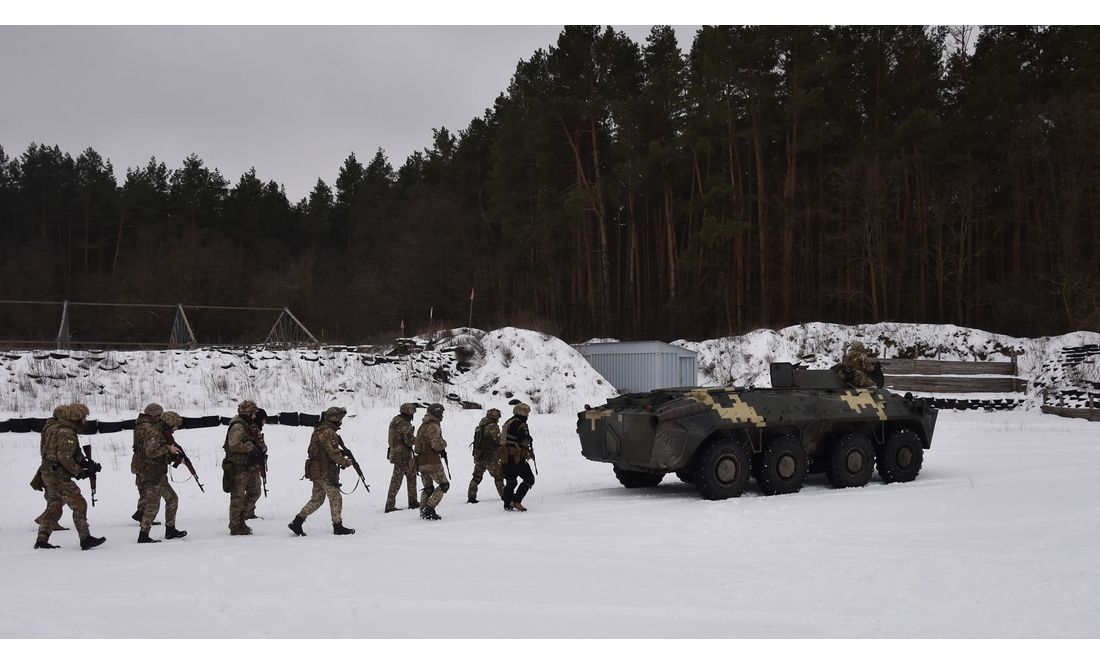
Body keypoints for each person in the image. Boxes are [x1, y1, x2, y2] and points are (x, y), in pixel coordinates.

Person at [34, 403, 106, 551]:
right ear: (76, 418)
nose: (85, 420)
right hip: (58, 476)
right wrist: (80, 472)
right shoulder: (66, 433)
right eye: (83, 417)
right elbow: (64, 457)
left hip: (48, 473)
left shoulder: (54, 428)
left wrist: (86, 464)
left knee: (53, 506)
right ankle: (85, 538)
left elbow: (70, 453)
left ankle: (42, 540)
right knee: (79, 504)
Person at [288, 406, 355, 536]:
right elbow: (333, 453)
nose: (341, 421)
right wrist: (345, 462)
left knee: (317, 499)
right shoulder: (328, 432)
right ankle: (338, 526)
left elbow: (323, 451)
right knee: (335, 497)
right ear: (335, 419)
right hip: (325, 472)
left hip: (316, 471)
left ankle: (297, 521)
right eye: (340, 419)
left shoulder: (318, 430)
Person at [134, 411, 188, 542]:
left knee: (172, 499)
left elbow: (161, 456)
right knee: (153, 505)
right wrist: (168, 449)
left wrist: (176, 457)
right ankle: (143, 535)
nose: (176, 428)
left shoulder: (162, 434)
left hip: (159, 474)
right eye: (175, 426)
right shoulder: (154, 434)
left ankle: (170, 530)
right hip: (152, 474)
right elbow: (151, 452)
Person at [221, 400, 267, 535]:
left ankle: (242, 517)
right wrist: (250, 447)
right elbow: (233, 444)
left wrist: (261, 449)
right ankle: (235, 526)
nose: (254, 416)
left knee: (255, 492)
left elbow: (259, 441)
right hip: (239, 466)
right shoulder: (238, 426)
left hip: (250, 466)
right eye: (253, 414)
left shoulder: (249, 425)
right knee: (237, 497)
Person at [32, 405, 68, 532]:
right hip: (53, 467)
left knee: (55, 496)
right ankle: (47, 520)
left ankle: (48, 520)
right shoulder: (56, 429)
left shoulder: (49, 426)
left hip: (48, 465)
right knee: (58, 496)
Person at [414, 402, 449, 521]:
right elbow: (436, 445)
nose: (443, 416)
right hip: (432, 462)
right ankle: (429, 508)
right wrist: (444, 443)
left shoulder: (423, 425)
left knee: (428, 487)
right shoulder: (433, 426)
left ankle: (423, 510)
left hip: (421, 462)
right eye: (441, 413)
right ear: (437, 413)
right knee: (444, 485)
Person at [131, 403, 164, 526]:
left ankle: (141, 512)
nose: (160, 418)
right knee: (148, 488)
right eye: (159, 416)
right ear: (153, 415)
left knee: (143, 487)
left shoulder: (140, 425)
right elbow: (151, 447)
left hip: (138, 460)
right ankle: (143, 515)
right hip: (144, 462)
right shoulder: (147, 427)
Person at [500, 403, 536, 512]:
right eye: (527, 413)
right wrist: (530, 439)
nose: (528, 416)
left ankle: (507, 503)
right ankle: (516, 501)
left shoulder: (509, 422)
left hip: (506, 456)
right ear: (522, 412)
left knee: (511, 481)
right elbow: (524, 440)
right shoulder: (520, 424)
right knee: (529, 479)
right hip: (516, 457)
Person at [384, 403, 419, 513]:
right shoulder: (404, 424)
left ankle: (413, 501)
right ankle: (390, 505)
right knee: (397, 480)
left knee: (411, 475)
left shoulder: (395, 420)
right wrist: (419, 440)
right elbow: (409, 440)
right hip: (402, 455)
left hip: (397, 453)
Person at [467, 408, 504, 504]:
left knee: (476, 477)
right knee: (498, 476)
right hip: (490, 456)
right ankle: (504, 495)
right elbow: (498, 440)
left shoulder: (479, 426)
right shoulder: (492, 427)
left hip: (479, 455)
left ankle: (471, 497)